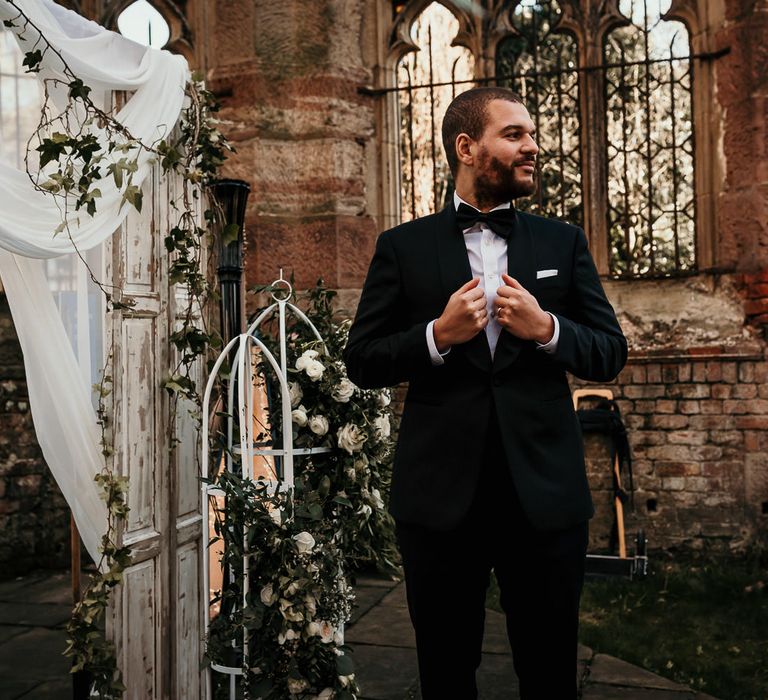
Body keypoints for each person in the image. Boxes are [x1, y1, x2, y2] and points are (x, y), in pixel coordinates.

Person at [343, 87, 627, 699]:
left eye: (532, 133)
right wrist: (435, 336)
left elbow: (610, 351)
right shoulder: (403, 247)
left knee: (551, 675)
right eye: (516, 135)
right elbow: (361, 360)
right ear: (467, 148)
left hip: (544, 499)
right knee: (445, 675)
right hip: (441, 502)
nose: (534, 147)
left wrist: (547, 329)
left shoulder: (562, 243)